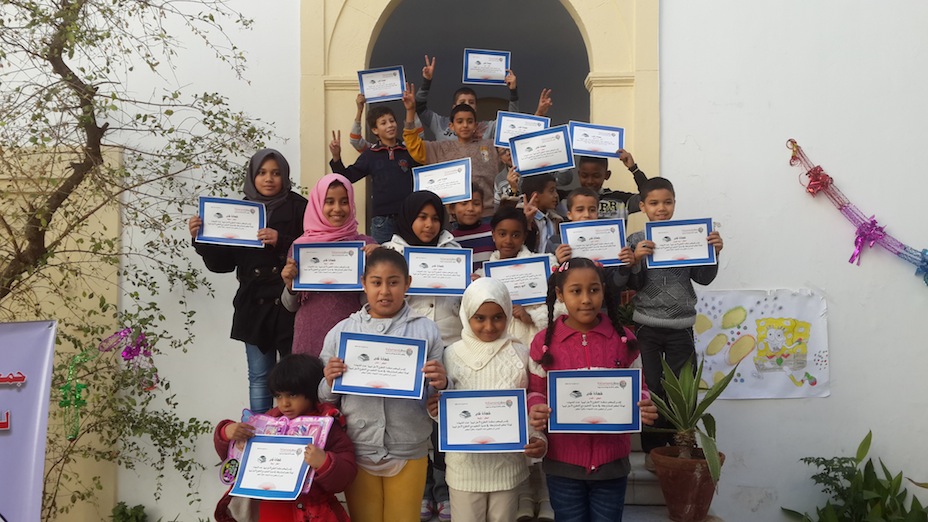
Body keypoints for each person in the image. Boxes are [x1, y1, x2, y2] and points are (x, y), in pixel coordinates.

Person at [318, 248, 449, 522]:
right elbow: (325, 401)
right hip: (358, 445)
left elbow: (434, 397)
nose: (385, 291)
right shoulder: (342, 331)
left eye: (393, 282)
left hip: (409, 444)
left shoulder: (426, 330)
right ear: (363, 283)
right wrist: (329, 379)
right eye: (376, 282)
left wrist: (441, 382)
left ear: (408, 283)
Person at [527, 258, 659, 522]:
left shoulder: (624, 340)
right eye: (576, 291)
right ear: (560, 295)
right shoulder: (543, 343)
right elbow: (536, 390)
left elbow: (640, 387)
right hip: (563, 463)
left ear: (604, 291)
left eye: (594, 289)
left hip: (611, 463)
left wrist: (644, 403)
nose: (586, 299)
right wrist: (536, 409)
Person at [188, 149, 307, 413]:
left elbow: (312, 252)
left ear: (285, 176)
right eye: (262, 173)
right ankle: (262, 438)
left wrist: (281, 241)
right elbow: (222, 265)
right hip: (254, 305)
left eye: (276, 173)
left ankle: (294, 437)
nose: (269, 179)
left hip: (290, 305)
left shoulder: (300, 207)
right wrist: (201, 239)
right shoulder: (237, 212)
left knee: (294, 377)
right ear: (252, 176)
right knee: (259, 377)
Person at [621, 177, 724, 468]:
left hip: (681, 326)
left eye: (667, 202)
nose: (661, 208)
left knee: (682, 388)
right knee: (652, 389)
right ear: (643, 206)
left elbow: (703, 277)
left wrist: (713, 253)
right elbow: (633, 283)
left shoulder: (691, 235)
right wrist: (636, 259)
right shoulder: (635, 239)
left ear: (675, 203)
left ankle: (680, 447)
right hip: (647, 326)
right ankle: (655, 452)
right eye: (654, 203)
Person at [435, 278, 548, 522]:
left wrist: (537, 438)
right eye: (479, 318)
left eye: (498, 317)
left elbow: (528, 404)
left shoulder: (520, 352)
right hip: (464, 469)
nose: (489, 326)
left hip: (507, 468)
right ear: (466, 316)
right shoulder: (451, 355)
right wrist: (434, 409)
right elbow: (445, 411)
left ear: (508, 313)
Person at [479, 206, 565, 521]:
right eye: (502, 234)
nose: (509, 240)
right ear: (493, 236)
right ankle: (525, 498)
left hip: (535, 353)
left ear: (525, 235)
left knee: (537, 427)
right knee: (517, 429)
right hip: (501, 356)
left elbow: (563, 309)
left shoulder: (545, 266)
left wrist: (533, 316)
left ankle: (546, 498)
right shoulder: (487, 271)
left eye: (516, 234)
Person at [382, 191, 462, 521]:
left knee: (443, 428)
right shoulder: (390, 253)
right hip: (403, 355)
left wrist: (468, 285)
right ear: (408, 217)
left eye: (434, 218)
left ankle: (443, 492)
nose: (428, 224)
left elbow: (463, 306)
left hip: (448, 350)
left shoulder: (455, 252)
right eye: (422, 217)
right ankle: (424, 489)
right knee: (412, 428)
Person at [213, 354, 356, 521]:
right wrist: (226, 432)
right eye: (279, 396)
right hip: (270, 511)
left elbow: (346, 474)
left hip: (313, 513)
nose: (284, 403)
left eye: (292, 395)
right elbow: (233, 459)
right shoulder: (265, 423)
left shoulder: (328, 426)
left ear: (310, 391)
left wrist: (325, 463)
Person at [280, 173, 378, 357]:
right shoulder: (301, 247)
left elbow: (373, 302)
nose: (337, 208)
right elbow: (290, 306)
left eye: (344, 201)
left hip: (353, 339)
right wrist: (289, 286)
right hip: (309, 338)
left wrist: (377, 265)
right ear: (317, 204)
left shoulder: (366, 246)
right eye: (329, 201)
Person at [403, 84, 499, 218]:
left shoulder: (490, 146)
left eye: (469, 121)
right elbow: (413, 144)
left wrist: (539, 113)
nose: (465, 125)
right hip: (454, 218)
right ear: (452, 126)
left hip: (488, 215)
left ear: (475, 125)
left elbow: (516, 138)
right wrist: (410, 111)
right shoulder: (440, 148)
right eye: (460, 121)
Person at [329, 104, 420, 244]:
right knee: (380, 259)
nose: (390, 125)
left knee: (407, 259)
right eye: (383, 123)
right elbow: (347, 177)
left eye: (392, 121)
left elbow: (424, 175)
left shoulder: (408, 151)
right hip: (382, 220)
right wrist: (336, 157)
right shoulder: (370, 155)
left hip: (408, 216)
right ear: (375, 130)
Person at [415, 54, 518, 142]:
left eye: (471, 102)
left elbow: (511, 121)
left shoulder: (487, 128)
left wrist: (513, 92)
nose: (466, 104)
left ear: (476, 108)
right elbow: (419, 107)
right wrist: (426, 82)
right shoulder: (440, 123)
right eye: (462, 101)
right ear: (454, 107)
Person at [557, 151, 649, 220]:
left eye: (596, 176)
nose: (590, 181)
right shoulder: (565, 199)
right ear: (579, 174)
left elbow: (649, 196)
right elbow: (543, 193)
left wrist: (633, 169)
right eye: (584, 176)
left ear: (607, 175)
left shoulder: (621, 200)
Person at [449, 183, 495, 272]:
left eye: (476, 203)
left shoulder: (492, 233)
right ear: (452, 209)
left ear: (483, 207)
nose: (470, 208)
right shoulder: (449, 240)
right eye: (464, 203)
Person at [519, 173, 562, 255]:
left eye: (556, 190)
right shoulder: (519, 217)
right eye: (551, 191)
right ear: (536, 196)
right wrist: (527, 223)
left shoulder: (556, 220)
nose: (556, 195)